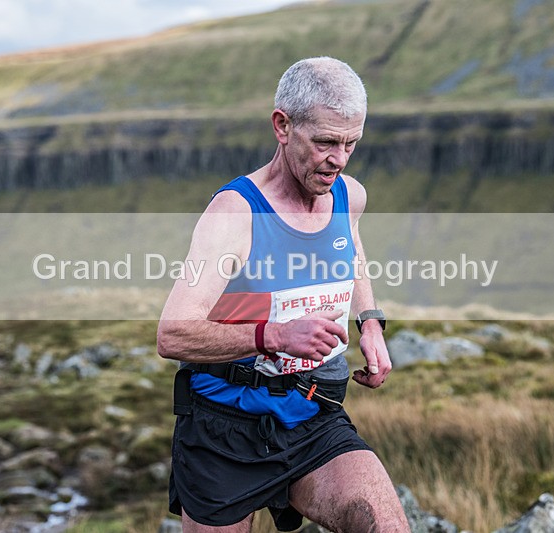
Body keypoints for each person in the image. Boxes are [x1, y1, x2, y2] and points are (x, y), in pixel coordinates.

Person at [157, 57, 410, 532]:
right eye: (325, 142)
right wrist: (274, 335)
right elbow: (172, 335)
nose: (339, 159)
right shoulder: (235, 214)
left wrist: (370, 322)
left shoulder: (348, 196)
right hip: (223, 428)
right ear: (282, 126)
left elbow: (352, 250)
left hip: (313, 414)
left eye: (351, 143)